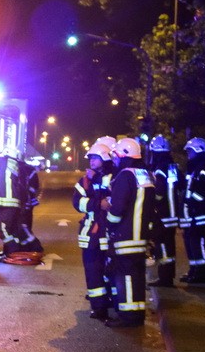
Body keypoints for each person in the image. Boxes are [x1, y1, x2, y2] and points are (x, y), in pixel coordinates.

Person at [103, 137, 154, 328]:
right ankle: (137, 314)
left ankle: (129, 317)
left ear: (124, 155)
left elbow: (117, 209)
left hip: (125, 237)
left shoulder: (125, 175)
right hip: (140, 237)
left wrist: (109, 224)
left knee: (126, 277)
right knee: (137, 277)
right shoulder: (145, 174)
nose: (114, 161)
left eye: (116, 156)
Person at [72, 142, 113, 320]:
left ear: (105, 158)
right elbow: (77, 202)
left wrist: (100, 202)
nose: (92, 161)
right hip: (91, 235)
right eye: (91, 158)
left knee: (110, 272)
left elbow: (114, 201)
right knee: (93, 273)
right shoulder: (85, 180)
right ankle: (99, 308)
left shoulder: (114, 177)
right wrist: (98, 204)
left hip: (109, 234)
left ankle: (111, 302)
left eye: (95, 158)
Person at [180, 137, 205, 283]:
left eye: (190, 151)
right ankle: (195, 270)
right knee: (193, 241)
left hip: (200, 212)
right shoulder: (197, 166)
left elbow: (203, 189)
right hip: (194, 212)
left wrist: (192, 203)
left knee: (199, 241)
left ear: (199, 150)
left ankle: (202, 273)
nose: (188, 154)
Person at [145, 135, 182, 287]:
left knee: (163, 246)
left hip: (162, 214)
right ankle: (168, 276)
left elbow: (159, 192)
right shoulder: (172, 166)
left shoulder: (159, 169)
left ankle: (165, 278)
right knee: (169, 245)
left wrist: (150, 201)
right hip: (172, 214)